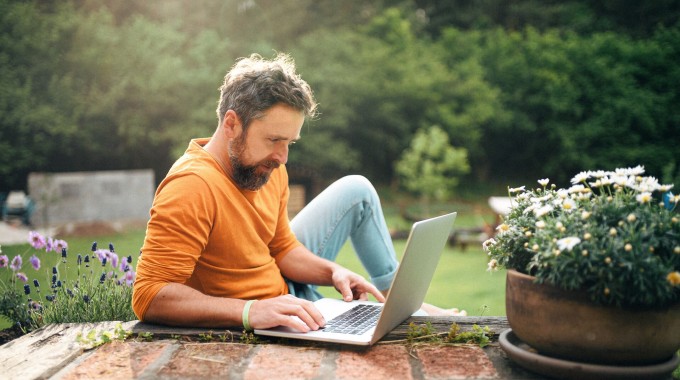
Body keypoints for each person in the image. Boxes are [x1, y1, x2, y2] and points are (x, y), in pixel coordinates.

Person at [132, 53, 463, 333]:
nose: (283, 157)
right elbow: (148, 295)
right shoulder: (192, 186)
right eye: (274, 140)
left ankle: (399, 305)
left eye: (289, 143)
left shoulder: (267, 167)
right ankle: (407, 315)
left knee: (357, 190)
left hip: (290, 296)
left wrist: (331, 271)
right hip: (270, 313)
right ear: (231, 125)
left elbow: (282, 247)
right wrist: (249, 312)